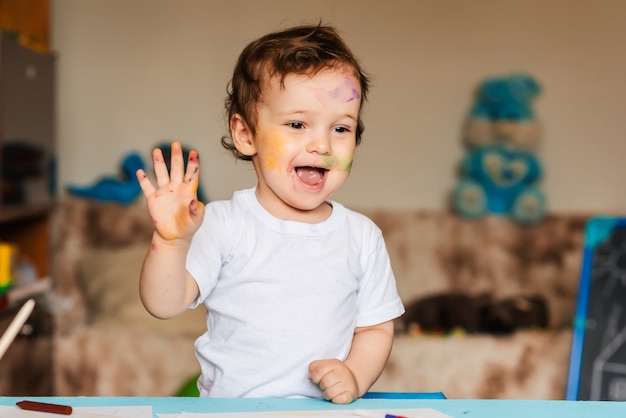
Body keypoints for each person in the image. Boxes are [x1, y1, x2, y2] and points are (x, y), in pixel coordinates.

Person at [136, 23, 404, 404]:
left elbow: (376, 329)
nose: (322, 144)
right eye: (297, 124)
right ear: (246, 135)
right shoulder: (224, 223)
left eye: (341, 128)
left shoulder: (362, 236)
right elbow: (163, 304)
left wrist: (355, 376)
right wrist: (171, 241)